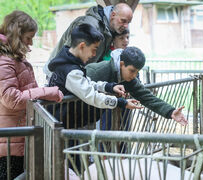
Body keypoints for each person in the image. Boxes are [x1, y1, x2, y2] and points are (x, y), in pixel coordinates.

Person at [0, 10, 63, 179]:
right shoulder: (4, 60)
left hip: (17, 137)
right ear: (16, 34)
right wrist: (48, 92)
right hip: (9, 142)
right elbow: (11, 98)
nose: (30, 43)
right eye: (28, 38)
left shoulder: (13, 58)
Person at [48, 23, 141, 129]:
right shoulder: (71, 71)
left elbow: (87, 83)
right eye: (94, 49)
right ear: (82, 46)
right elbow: (91, 96)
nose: (94, 54)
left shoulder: (68, 64)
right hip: (63, 125)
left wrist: (109, 87)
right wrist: (122, 103)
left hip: (65, 123)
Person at [86, 47, 188, 126]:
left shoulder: (127, 79)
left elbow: (146, 96)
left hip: (90, 119)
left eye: (137, 72)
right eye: (132, 71)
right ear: (122, 64)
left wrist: (170, 111)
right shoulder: (97, 72)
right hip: (77, 118)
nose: (134, 75)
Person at [43, 3, 133, 80]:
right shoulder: (89, 25)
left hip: (77, 78)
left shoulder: (109, 31)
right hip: (61, 76)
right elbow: (70, 54)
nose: (126, 26)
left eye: (128, 22)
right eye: (123, 21)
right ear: (113, 15)